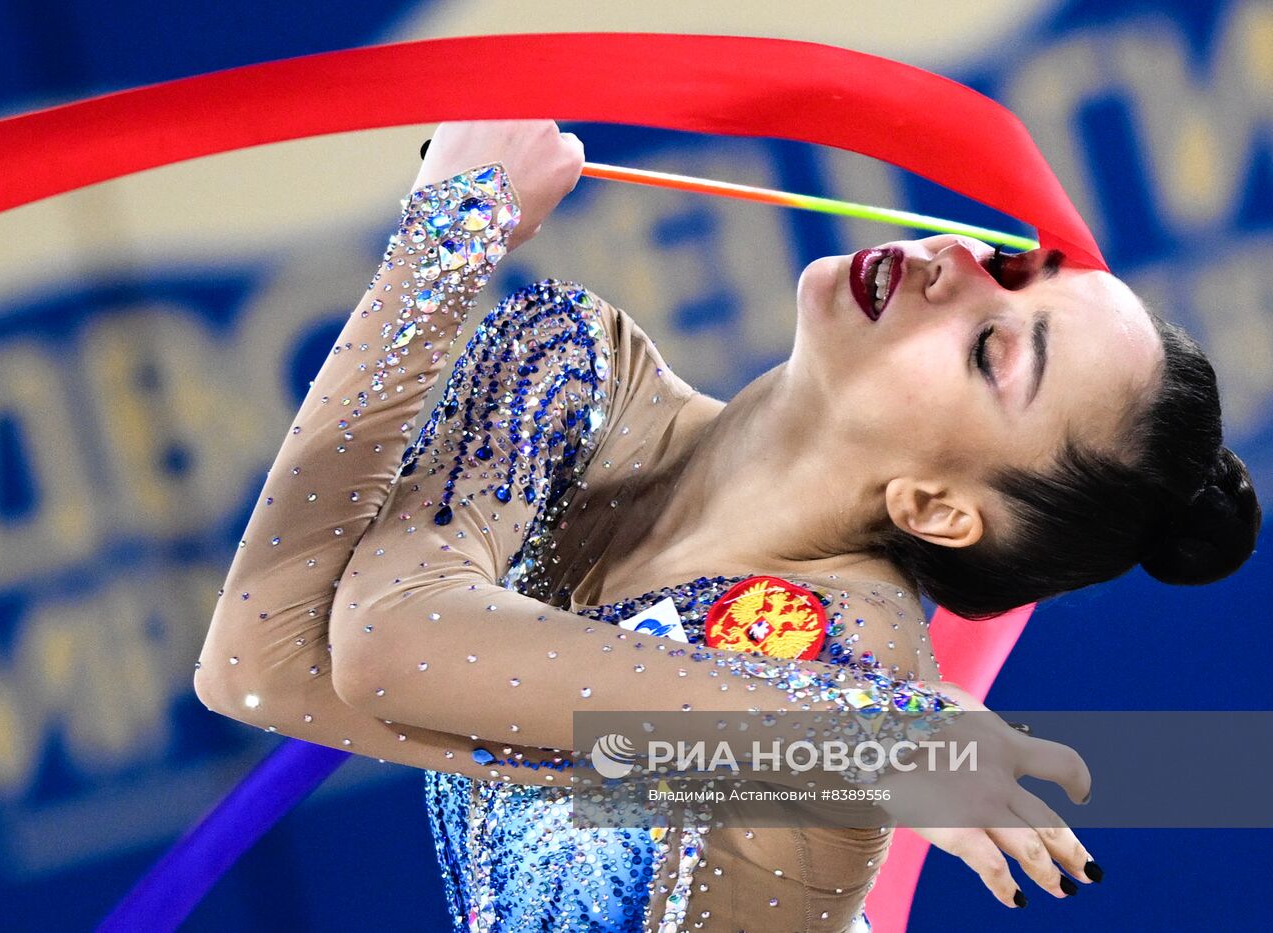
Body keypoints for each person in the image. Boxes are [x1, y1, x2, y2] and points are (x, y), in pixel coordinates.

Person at [193, 120, 1261, 932]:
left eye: (989, 350)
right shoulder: (569, 364)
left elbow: (385, 646)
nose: (953, 267)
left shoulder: (851, 705)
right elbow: (263, 659)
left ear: (934, 509)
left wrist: (453, 235)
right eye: (1008, 264)